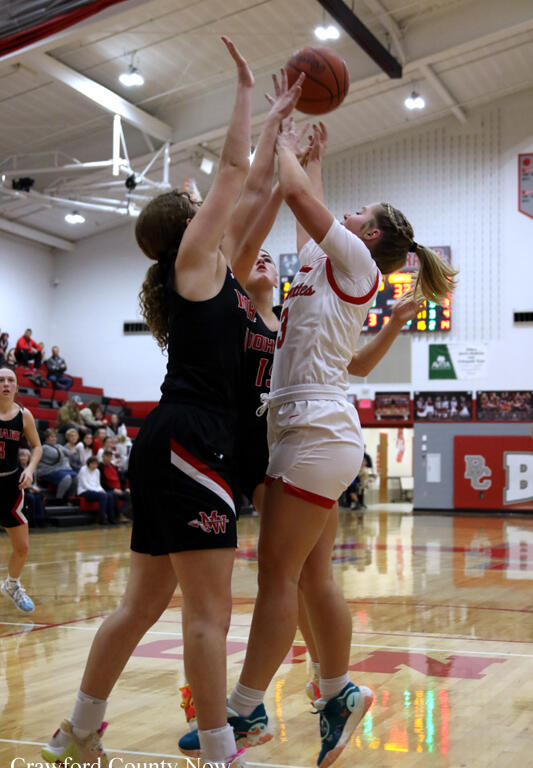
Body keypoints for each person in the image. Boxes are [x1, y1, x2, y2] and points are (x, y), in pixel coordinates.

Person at [41, 37, 301, 768]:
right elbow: (233, 175)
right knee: (208, 612)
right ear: (188, 226)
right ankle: (218, 751)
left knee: (142, 605)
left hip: (180, 441)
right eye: (196, 205)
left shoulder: (218, 273)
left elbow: (254, 190)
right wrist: (247, 95)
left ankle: (76, 732)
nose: (210, 205)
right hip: (192, 443)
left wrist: (279, 125)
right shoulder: (193, 263)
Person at [223, 118, 458, 767]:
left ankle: (244, 709)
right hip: (307, 426)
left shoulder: (354, 261)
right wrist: (314, 157)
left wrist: (281, 140)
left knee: (277, 577)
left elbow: (301, 201)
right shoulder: (324, 264)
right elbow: (309, 217)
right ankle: (337, 694)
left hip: (315, 429)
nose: (346, 214)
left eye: (358, 213)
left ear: (369, 235)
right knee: (310, 577)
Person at [0, 366, 42, 612]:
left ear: (16, 386)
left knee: (22, 547)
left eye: (10, 380)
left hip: (11, 485)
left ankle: (12, 585)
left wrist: (30, 469)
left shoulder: (24, 415)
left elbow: (37, 446)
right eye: (1, 380)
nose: (6, 384)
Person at [36, 428, 78, 499]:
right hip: (47, 471)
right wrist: (64, 453)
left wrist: (65, 452)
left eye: (55, 437)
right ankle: (59, 498)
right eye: (52, 437)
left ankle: (71, 498)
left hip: (59, 469)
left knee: (75, 477)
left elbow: (70, 453)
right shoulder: (44, 448)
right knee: (67, 478)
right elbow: (56, 455)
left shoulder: (58, 446)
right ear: (47, 438)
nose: (54, 439)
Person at [77, 456, 116, 525]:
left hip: (95, 491)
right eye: (93, 464)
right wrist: (98, 491)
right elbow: (85, 485)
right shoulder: (83, 469)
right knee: (103, 496)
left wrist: (102, 490)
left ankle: (111, 518)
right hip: (84, 491)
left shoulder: (97, 471)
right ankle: (102, 519)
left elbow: (98, 484)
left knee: (110, 495)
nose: (94, 466)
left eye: (96, 464)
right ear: (89, 463)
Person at [18, 448, 47, 527]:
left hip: (30, 489)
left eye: (25, 456)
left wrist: (35, 488)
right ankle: (31, 520)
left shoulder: (31, 468)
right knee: (31, 498)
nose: (23, 458)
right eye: (21, 456)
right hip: (21, 490)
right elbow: (19, 482)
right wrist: (30, 488)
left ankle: (41, 519)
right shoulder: (17, 469)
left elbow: (34, 482)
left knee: (39, 496)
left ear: (28, 457)